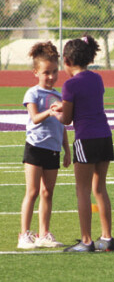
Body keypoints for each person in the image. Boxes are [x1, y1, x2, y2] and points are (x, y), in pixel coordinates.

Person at [50, 35, 114, 252]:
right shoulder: (97, 78)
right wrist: (66, 105)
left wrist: (54, 112)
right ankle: (106, 237)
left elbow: (67, 120)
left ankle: (86, 240)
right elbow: (88, 103)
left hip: (85, 139)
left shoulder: (70, 84)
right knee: (100, 189)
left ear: (67, 62)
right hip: (104, 136)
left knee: (82, 190)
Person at [18, 42, 70, 249]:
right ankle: (24, 234)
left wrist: (67, 149)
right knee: (32, 192)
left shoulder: (59, 96)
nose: (51, 76)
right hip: (35, 147)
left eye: (55, 71)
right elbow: (35, 118)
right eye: (46, 72)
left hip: (53, 149)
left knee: (47, 192)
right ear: (36, 72)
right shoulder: (32, 94)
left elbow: (63, 125)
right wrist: (51, 111)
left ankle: (44, 233)